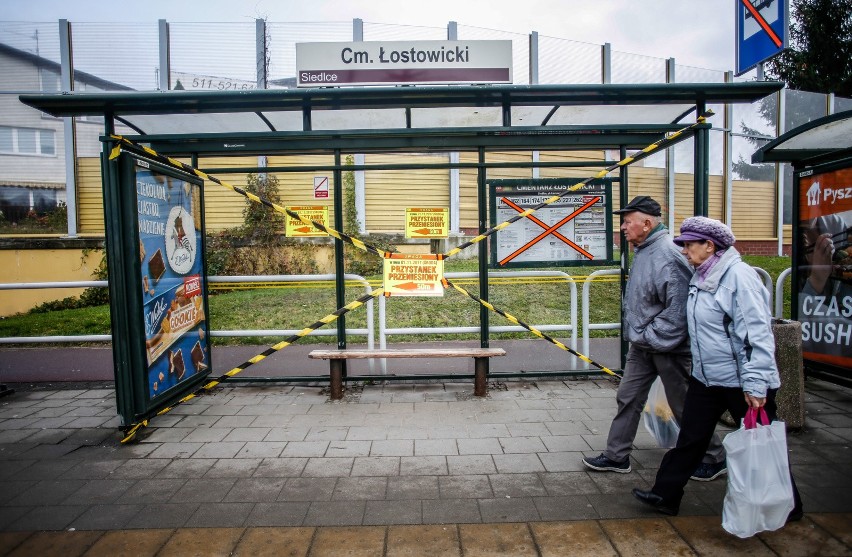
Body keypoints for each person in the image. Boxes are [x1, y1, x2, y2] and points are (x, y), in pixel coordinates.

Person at [632, 216, 803, 521]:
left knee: (761, 445)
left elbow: (756, 335)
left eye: (689, 245)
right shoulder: (702, 274)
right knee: (690, 439)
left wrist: (755, 385)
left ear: (709, 246)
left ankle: (788, 505)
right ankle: (665, 495)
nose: (684, 251)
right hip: (707, 379)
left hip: (742, 383)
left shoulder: (740, 278)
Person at [582, 197, 726, 480]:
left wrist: (650, 336)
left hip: (668, 347)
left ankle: (714, 457)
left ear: (646, 223)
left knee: (683, 405)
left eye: (627, 221)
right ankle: (616, 455)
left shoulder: (669, 256)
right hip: (644, 344)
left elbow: (678, 310)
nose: (623, 227)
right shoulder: (646, 249)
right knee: (628, 397)